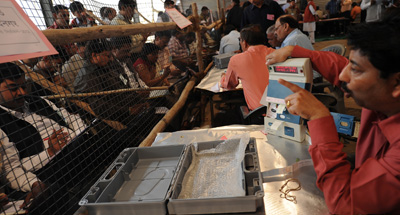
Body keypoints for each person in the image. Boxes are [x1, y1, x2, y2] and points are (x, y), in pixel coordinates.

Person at [264, 10, 400, 214]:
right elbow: (338, 66)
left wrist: (319, 118)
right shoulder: (385, 98)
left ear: (396, 83)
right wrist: (294, 50)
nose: (342, 76)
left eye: (355, 69)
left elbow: (345, 204)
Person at [0, 62, 85, 194]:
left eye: (24, 86)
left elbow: (70, 117)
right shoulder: (2, 123)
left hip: (79, 145)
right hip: (51, 169)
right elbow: (13, 170)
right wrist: (50, 152)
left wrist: (79, 134)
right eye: (13, 88)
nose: (22, 92)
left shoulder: (38, 100)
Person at [74, 39, 148, 124]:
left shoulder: (104, 67)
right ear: (94, 55)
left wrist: (139, 100)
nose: (110, 59)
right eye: (107, 56)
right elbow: (101, 107)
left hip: (126, 112)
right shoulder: (86, 77)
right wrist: (129, 110)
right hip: (111, 122)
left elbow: (122, 89)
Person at [220, 25, 274, 111]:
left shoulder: (236, 59)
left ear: (244, 42)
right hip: (281, 109)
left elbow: (229, 85)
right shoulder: (275, 53)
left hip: (258, 112)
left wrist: (223, 77)